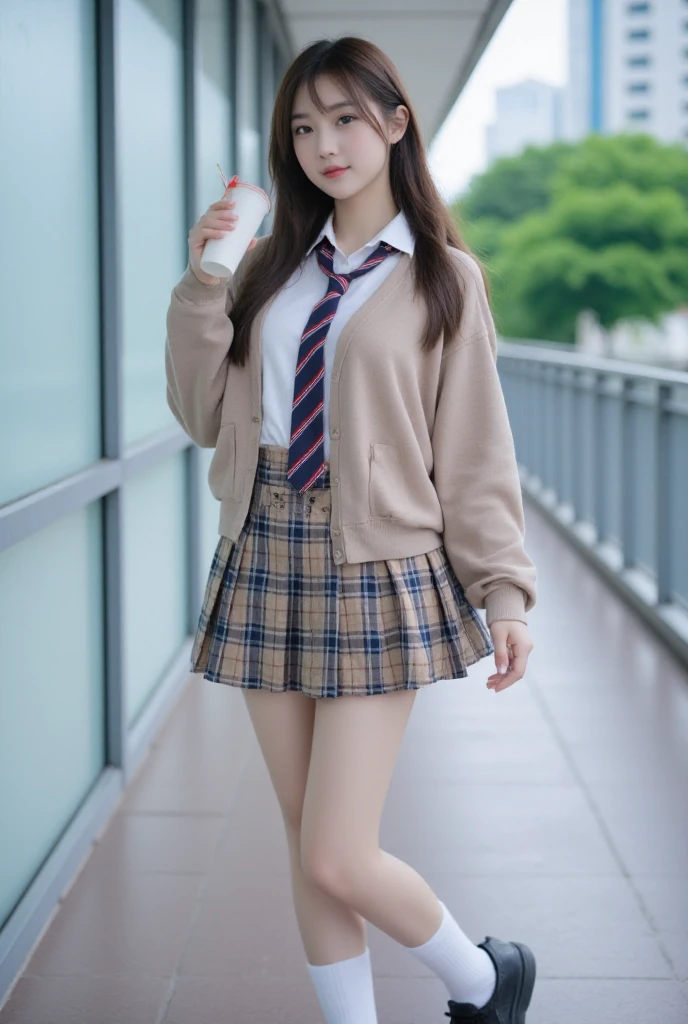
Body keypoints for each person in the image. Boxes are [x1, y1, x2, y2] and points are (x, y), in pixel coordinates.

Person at [165, 35, 537, 1024]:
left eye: (343, 118)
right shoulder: (266, 272)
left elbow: (474, 452)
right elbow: (202, 413)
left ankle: (485, 977)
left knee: (337, 848)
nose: (323, 143)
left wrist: (505, 589)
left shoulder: (443, 279)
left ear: (395, 123)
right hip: (265, 547)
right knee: (305, 841)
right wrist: (204, 283)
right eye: (301, 126)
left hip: (378, 564)